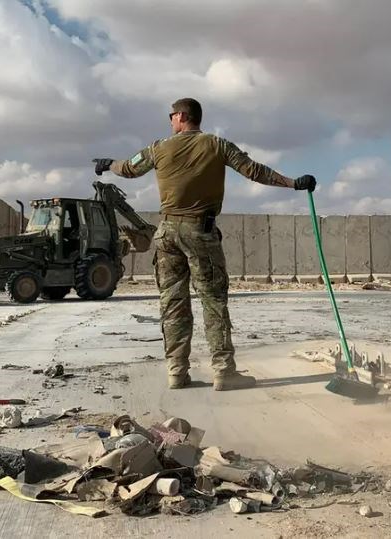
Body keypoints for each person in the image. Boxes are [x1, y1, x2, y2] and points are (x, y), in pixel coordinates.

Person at [92, 98, 316, 391]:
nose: (170, 121)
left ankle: (176, 371)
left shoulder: (158, 148)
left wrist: (108, 164)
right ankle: (223, 371)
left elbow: (129, 168)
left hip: (167, 234)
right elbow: (254, 170)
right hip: (201, 233)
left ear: (183, 116)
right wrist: (293, 183)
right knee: (213, 302)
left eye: (172, 116)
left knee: (173, 305)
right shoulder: (217, 145)